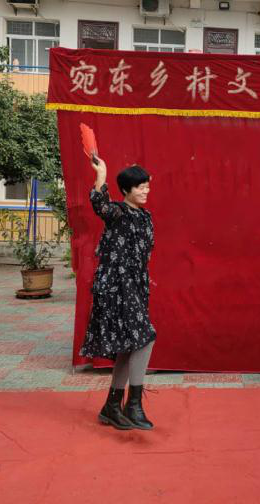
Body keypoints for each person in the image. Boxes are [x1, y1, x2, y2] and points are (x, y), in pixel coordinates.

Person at [81, 156, 156, 431]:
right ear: (126, 190)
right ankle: (133, 405)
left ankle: (111, 407)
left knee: (129, 344)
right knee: (145, 338)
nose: (146, 191)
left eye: (147, 186)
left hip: (135, 286)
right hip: (115, 287)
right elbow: (99, 206)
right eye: (140, 187)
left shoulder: (145, 216)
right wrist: (101, 175)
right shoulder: (118, 213)